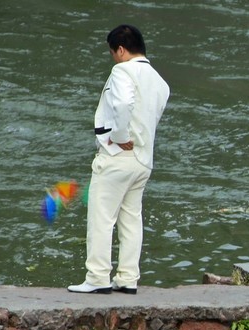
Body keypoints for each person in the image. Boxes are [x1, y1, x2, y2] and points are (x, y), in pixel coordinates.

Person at [68, 24, 170, 295]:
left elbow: (123, 104)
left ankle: (98, 277)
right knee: (131, 218)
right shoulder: (160, 81)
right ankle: (127, 278)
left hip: (118, 156)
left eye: (113, 52)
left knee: (102, 217)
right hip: (143, 159)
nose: (113, 58)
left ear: (121, 50)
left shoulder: (122, 70)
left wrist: (120, 134)